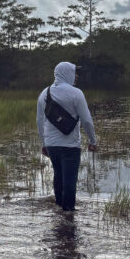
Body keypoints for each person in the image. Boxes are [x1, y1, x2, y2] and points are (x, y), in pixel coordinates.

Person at [37, 61, 97, 212]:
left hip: (51, 145)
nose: (76, 76)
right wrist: (92, 140)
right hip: (70, 146)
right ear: (67, 73)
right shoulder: (76, 93)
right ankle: (68, 214)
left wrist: (44, 143)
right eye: (74, 72)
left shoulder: (44, 93)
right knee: (70, 180)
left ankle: (59, 209)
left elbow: (39, 121)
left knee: (58, 175)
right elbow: (87, 120)